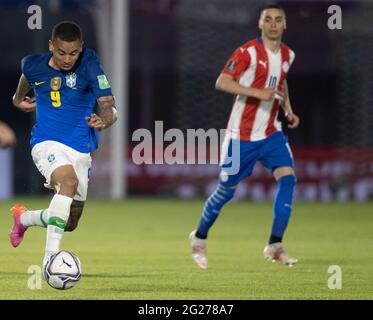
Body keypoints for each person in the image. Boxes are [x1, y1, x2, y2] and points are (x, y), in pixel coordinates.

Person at [189, 4, 300, 269]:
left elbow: (281, 81)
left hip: (272, 132)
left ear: (285, 25)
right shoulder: (247, 52)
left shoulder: (288, 54)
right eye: (268, 20)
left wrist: (288, 109)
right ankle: (199, 238)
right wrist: (256, 92)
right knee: (226, 191)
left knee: (288, 180)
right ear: (260, 24)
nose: (273, 24)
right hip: (241, 135)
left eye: (278, 20)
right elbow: (222, 82)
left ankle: (274, 245)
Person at [10, 21, 117, 266]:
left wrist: (104, 120)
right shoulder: (33, 63)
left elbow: (108, 104)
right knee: (68, 182)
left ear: (81, 48)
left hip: (80, 149)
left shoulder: (90, 65)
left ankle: (24, 219)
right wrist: (18, 99)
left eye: (73, 53)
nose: (67, 58)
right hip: (46, 143)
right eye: (61, 52)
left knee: (69, 222)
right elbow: (27, 76)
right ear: (51, 46)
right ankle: (50, 261)